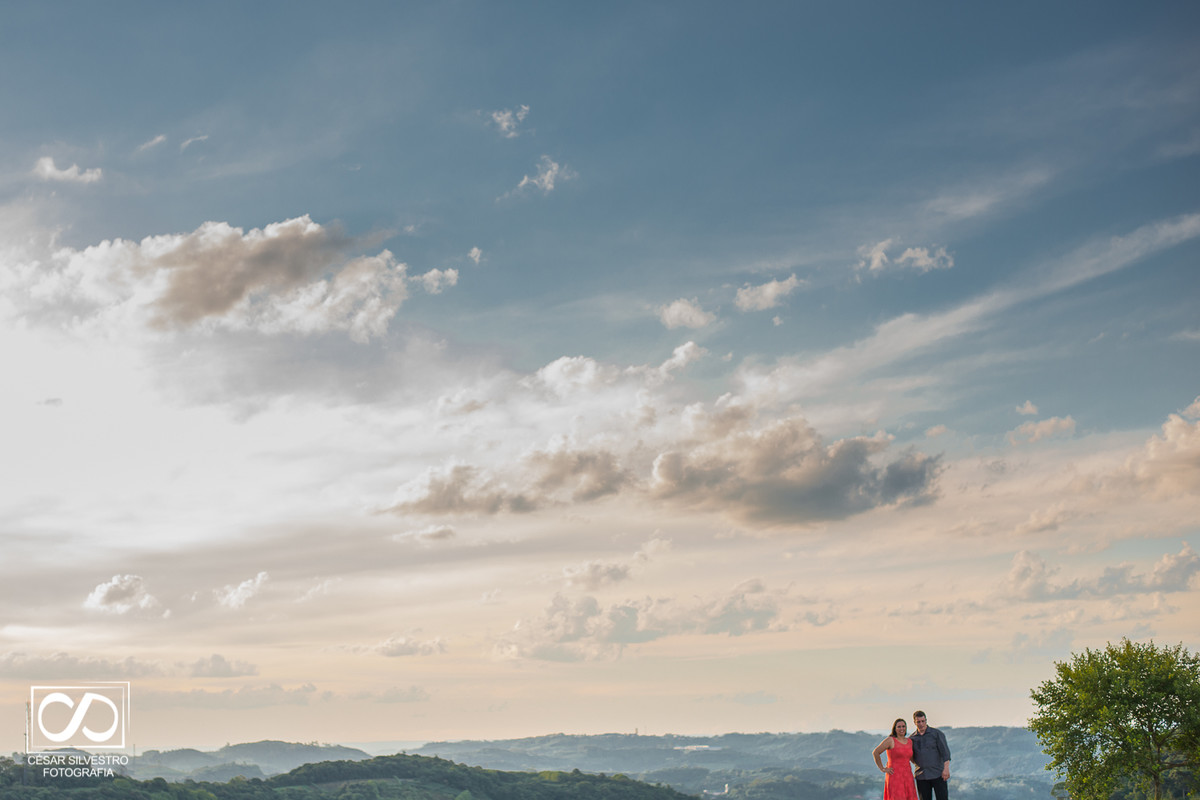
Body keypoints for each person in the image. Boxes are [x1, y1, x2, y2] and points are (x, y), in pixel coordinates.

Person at [872, 718, 918, 800]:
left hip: (908, 776)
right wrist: (882, 768)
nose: (901, 729)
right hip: (894, 776)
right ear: (895, 728)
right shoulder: (890, 740)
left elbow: (911, 759)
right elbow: (876, 752)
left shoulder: (910, 741)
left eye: (903, 726)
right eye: (899, 727)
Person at [910, 710, 951, 800]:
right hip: (921, 776)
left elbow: (945, 753)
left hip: (938, 774)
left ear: (926, 721)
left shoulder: (936, 734)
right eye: (918, 722)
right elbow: (911, 756)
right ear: (914, 722)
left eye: (923, 721)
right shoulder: (912, 738)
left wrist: (946, 769)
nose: (921, 724)